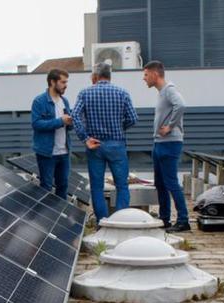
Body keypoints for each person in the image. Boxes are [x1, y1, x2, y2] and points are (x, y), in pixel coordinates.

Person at [72, 62, 138, 223]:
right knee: (122, 185)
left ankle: (102, 223)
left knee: (97, 187)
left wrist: (85, 138)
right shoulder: (122, 93)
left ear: (95, 76)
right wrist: (118, 128)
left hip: (95, 145)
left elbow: (75, 116)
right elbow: (133, 119)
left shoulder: (85, 93)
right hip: (117, 145)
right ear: (109, 76)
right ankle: (121, 222)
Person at [143, 60, 189, 232]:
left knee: (171, 183)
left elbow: (182, 105)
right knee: (160, 183)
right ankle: (164, 219)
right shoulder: (161, 92)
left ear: (155, 74)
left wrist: (170, 126)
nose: (144, 78)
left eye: (146, 74)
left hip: (169, 143)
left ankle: (183, 220)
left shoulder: (169, 89)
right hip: (159, 143)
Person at [31, 68, 72, 198]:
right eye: (63, 82)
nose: (66, 85)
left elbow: (67, 127)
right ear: (52, 82)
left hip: (64, 152)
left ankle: (61, 218)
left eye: (66, 82)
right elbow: (36, 124)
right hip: (47, 153)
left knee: (63, 186)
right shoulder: (39, 101)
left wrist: (71, 123)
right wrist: (60, 121)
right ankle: (44, 218)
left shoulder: (65, 101)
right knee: (46, 188)